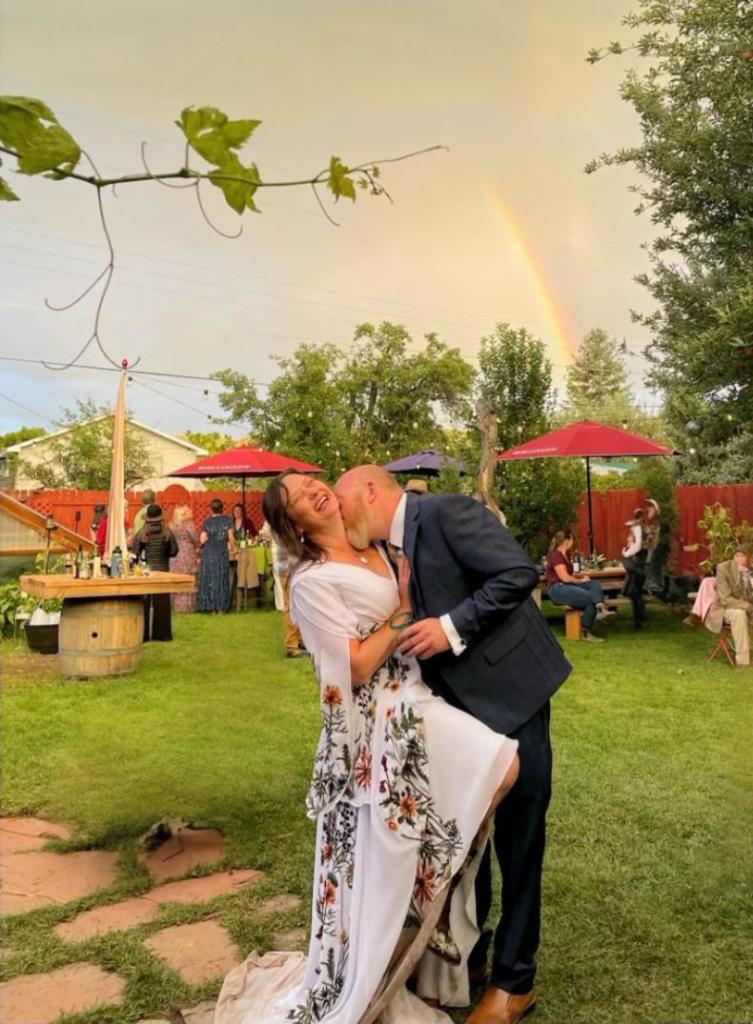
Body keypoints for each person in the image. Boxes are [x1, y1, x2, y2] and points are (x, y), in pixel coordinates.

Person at [216, 470, 521, 1024]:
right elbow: (351, 666)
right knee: (503, 764)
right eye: (297, 496)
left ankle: (432, 914)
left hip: (421, 690)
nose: (313, 488)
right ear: (296, 526)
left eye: (310, 479)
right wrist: (401, 613)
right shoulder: (311, 582)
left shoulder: (376, 547)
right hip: (383, 713)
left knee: (484, 785)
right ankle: (427, 899)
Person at [334, 466, 572, 1024]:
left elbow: (517, 572)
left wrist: (451, 628)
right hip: (453, 714)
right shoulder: (383, 549)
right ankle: (474, 960)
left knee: (519, 841)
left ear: (370, 489)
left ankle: (516, 984)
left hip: (513, 695)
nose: (339, 512)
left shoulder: (446, 512)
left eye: (342, 499)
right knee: (466, 843)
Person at [546, 530, 614, 643]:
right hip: (558, 589)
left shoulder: (566, 554)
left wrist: (582, 581)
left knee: (594, 584)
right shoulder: (556, 555)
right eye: (572, 539)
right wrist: (580, 580)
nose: (573, 542)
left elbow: (569, 578)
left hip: (567, 586)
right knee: (589, 598)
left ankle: (601, 608)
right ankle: (586, 632)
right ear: (567, 541)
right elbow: (565, 578)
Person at [132, 504, 178, 641]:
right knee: (162, 605)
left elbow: (135, 553)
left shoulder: (142, 533)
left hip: (147, 572)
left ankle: (144, 635)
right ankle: (163, 635)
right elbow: (174, 552)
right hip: (163, 570)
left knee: (144, 604)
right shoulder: (168, 532)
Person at [705, 545, 753, 668]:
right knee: (739, 614)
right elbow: (725, 599)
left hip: (746, 606)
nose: (741, 559)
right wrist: (746, 605)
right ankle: (743, 660)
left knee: (741, 611)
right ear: (734, 556)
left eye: (744, 557)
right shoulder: (724, 568)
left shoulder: (749, 571)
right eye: (738, 556)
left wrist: (749, 580)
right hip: (724, 609)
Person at [197, 498, 234, 613]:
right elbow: (231, 538)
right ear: (222, 508)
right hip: (221, 551)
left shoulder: (207, 522)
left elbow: (202, 539)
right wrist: (235, 548)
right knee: (221, 578)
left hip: (209, 552)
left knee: (210, 578)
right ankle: (222, 608)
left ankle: (211, 608)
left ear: (211, 509)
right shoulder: (227, 520)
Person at [170, 505, 200, 613]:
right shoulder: (189, 525)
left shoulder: (172, 525)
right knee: (189, 578)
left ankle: (176, 606)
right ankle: (187, 607)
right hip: (187, 554)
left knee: (177, 579)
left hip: (175, 555)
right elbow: (195, 538)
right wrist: (198, 547)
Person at [622, 508, 648, 629]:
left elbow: (637, 546)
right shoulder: (643, 529)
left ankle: (639, 620)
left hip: (638, 567)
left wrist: (626, 554)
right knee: (636, 594)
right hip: (640, 567)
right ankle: (640, 618)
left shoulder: (638, 529)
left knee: (635, 593)